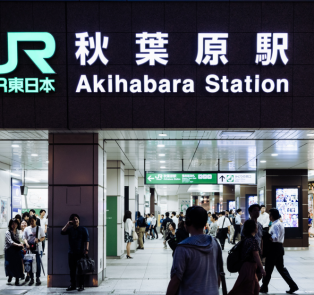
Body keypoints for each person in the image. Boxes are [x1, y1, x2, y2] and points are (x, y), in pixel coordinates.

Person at [166, 206, 220, 295]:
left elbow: (175, 281)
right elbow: (219, 275)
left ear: (188, 221)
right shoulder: (214, 243)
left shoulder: (182, 248)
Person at [260, 209, 299, 294]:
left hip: (274, 248)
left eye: (270, 215)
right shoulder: (279, 223)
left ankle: (264, 287)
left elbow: (276, 237)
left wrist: (269, 237)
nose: (269, 216)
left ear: (272, 216)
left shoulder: (275, 225)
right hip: (279, 248)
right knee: (281, 269)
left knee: (268, 268)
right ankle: (293, 285)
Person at [228, 220, 266, 295]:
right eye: (256, 226)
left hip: (246, 266)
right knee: (247, 289)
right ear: (254, 228)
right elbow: (256, 255)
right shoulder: (252, 240)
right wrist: (261, 269)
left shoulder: (246, 239)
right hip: (249, 267)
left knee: (254, 288)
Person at [61, 214, 89, 292]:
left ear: (79, 220)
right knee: (72, 270)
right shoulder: (70, 229)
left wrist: (86, 250)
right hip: (71, 253)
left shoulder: (83, 229)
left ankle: (81, 285)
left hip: (81, 252)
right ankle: (73, 285)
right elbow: (62, 232)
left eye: (76, 219)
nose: (75, 221)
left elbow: (87, 240)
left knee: (81, 270)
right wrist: (67, 224)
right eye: (73, 219)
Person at [24, 215, 45, 286]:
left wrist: (38, 240)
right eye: (30, 221)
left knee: (38, 265)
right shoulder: (27, 229)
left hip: (38, 249)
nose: (31, 222)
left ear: (36, 220)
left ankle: (38, 278)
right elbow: (24, 238)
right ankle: (31, 278)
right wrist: (26, 244)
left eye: (33, 220)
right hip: (30, 249)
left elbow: (43, 237)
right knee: (30, 264)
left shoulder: (39, 228)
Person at [4, 219, 24, 286]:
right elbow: (10, 242)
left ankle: (17, 279)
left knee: (18, 265)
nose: (14, 225)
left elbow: (18, 240)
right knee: (9, 265)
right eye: (12, 224)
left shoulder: (17, 231)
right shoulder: (8, 232)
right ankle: (10, 276)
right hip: (9, 251)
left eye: (15, 223)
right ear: (10, 225)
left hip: (16, 251)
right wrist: (18, 244)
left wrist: (21, 244)